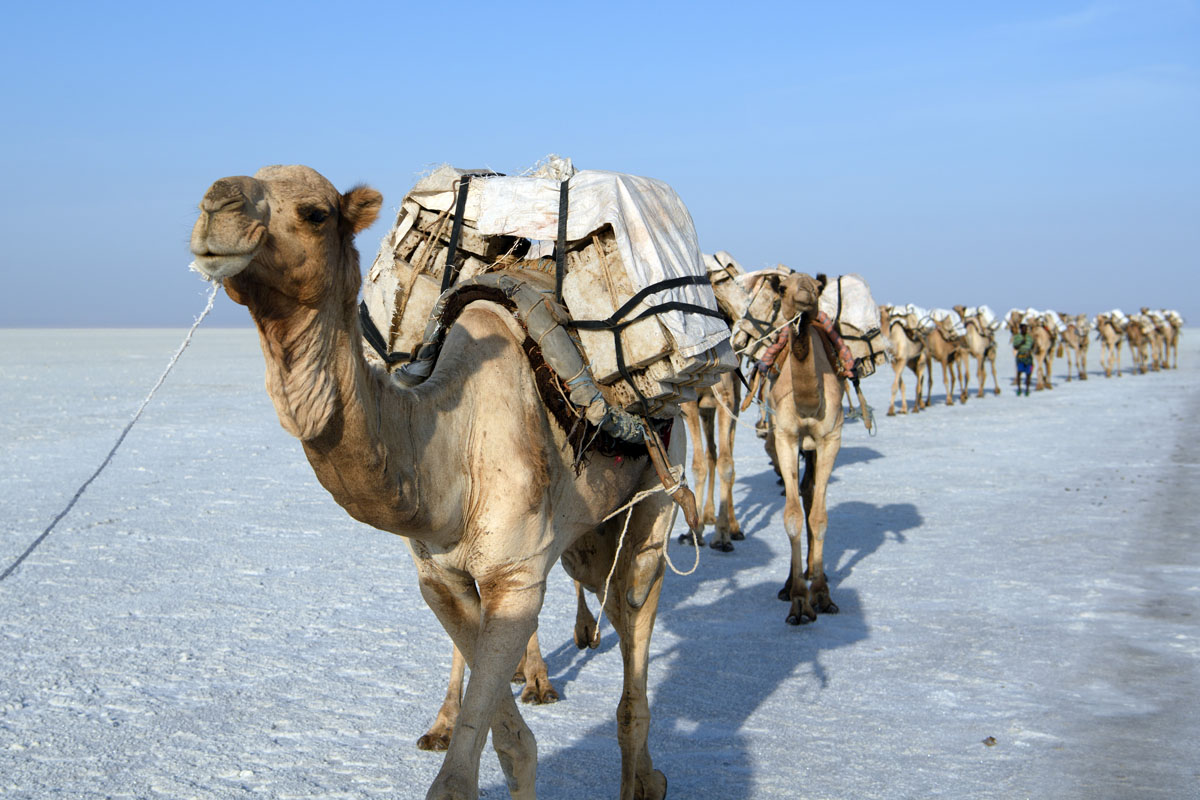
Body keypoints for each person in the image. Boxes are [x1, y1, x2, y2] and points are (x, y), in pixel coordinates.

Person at [1012, 322, 1034, 396]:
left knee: (1028, 374)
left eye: (1026, 329)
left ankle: (1027, 389)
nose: (1025, 330)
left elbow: (1032, 345)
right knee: (1019, 373)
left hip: (1028, 357)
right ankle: (1019, 389)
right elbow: (1015, 347)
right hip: (1020, 356)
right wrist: (1021, 343)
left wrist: (1030, 351)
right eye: (1023, 329)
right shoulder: (1017, 337)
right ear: (1020, 329)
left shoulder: (1030, 337)